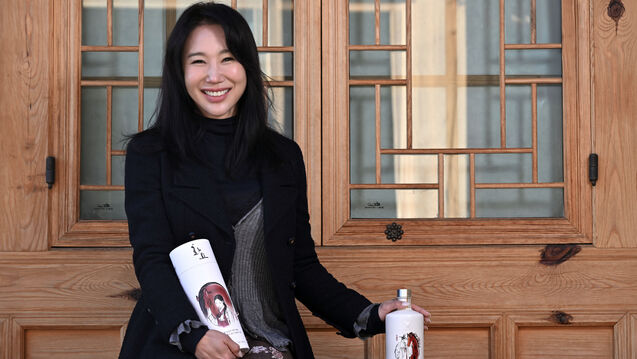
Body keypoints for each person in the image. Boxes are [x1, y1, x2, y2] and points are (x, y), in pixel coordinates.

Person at [118, 2, 431, 359]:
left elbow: (301, 266)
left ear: (247, 67)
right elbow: (152, 258)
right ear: (179, 72)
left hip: (271, 348)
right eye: (198, 61)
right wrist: (194, 336)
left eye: (228, 58)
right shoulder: (150, 154)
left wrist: (370, 314)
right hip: (179, 347)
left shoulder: (283, 157)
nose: (214, 75)